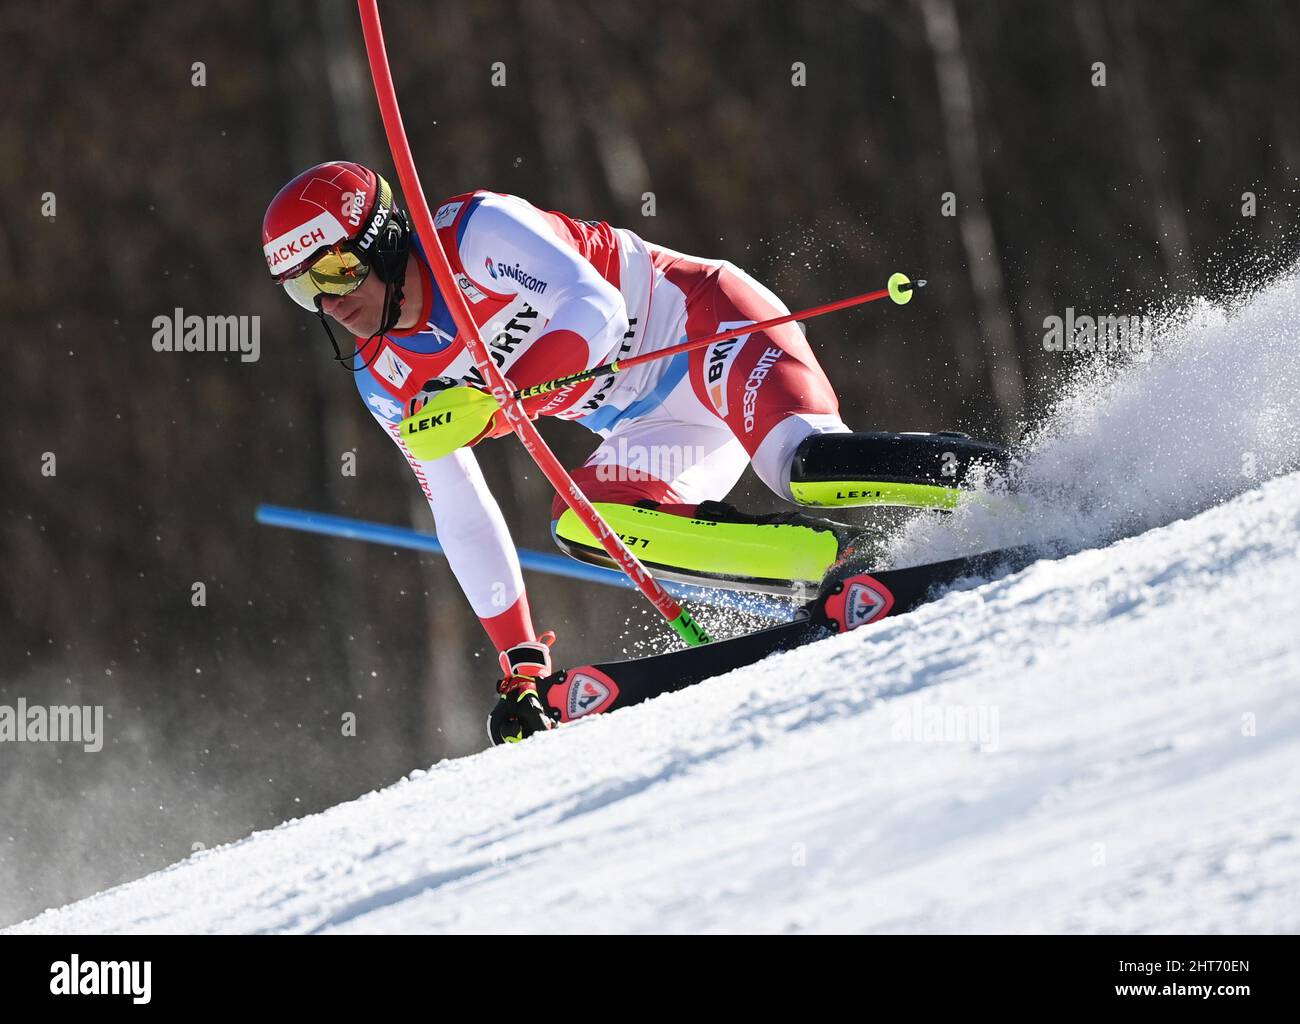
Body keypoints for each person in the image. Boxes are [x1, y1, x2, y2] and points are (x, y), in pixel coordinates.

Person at [261, 160, 998, 742]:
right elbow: (460, 507)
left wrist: (502, 397)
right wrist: (520, 659)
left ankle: (995, 480)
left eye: (335, 272)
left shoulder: (476, 233)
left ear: (384, 241)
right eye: (304, 292)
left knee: (803, 468)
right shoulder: (387, 378)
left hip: (709, 330)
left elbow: (596, 308)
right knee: (583, 522)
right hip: (651, 426)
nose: (330, 303)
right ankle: (829, 567)